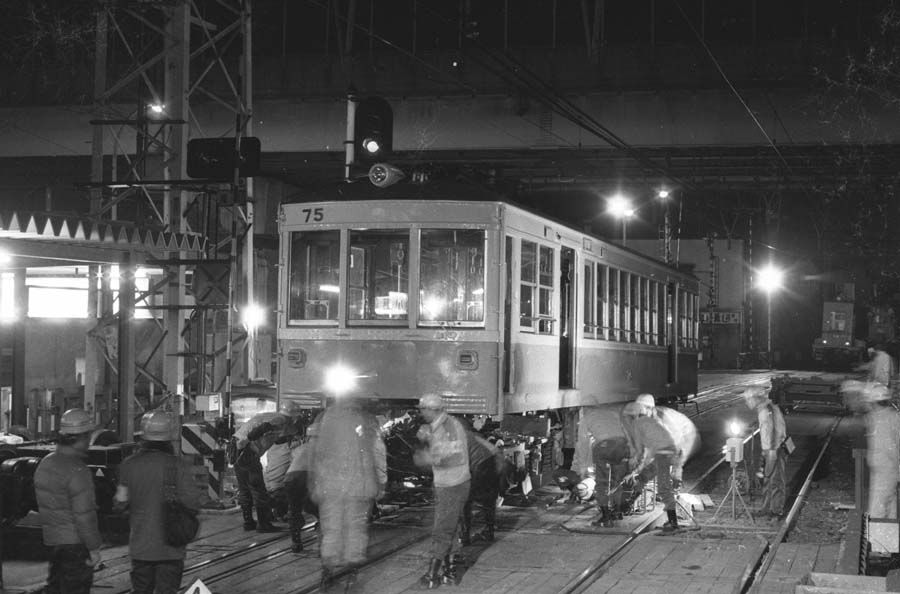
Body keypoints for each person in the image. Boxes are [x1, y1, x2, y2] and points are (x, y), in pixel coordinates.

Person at [114, 410, 201, 594]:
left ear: (143, 436)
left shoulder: (129, 465)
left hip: (141, 547)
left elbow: (120, 503)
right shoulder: (178, 465)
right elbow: (193, 502)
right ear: (170, 437)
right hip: (171, 548)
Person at [310, 394, 386, 591]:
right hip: (360, 485)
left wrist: (316, 483)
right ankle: (352, 573)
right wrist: (382, 483)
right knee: (355, 529)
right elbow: (378, 453)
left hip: (332, 485)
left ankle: (327, 572)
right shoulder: (367, 421)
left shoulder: (326, 418)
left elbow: (317, 453)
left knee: (332, 529)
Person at [33, 408, 103, 594]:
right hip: (75, 546)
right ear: (82, 437)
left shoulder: (46, 463)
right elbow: (84, 516)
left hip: (53, 543)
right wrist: (94, 548)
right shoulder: (77, 471)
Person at [416, 393, 471, 589]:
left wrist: (426, 458)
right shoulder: (444, 424)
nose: (421, 413)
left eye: (423, 409)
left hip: (452, 485)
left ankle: (431, 576)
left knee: (442, 530)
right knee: (450, 527)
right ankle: (449, 573)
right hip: (450, 483)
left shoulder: (448, 427)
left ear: (433, 409)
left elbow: (453, 457)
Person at [624, 394, 682, 532]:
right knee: (646, 475)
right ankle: (629, 502)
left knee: (664, 487)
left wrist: (634, 469)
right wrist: (639, 470)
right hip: (667, 454)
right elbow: (649, 451)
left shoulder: (639, 423)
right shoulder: (654, 421)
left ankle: (673, 522)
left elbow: (641, 451)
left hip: (665, 455)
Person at [233, 409, 296, 532]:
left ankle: (248, 522)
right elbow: (263, 428)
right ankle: (263, 524)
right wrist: (250, 439)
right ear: (291, 417)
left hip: (235, 450)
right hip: (248, 453)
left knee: (244, 488)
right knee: (258, 489)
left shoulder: (267, 415)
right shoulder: (280, 419)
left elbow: (271, 435)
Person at [743, 387, 788, 518]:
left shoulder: (767, 410)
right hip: (770, 449)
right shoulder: (766, 409)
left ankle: (776, 510)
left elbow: (774, 432)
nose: (747, 403)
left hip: (775, 449)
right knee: (768, 479)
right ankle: (767, 507)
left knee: (776, 481)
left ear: (755, 398)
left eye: (748, 400)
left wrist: (771, 452)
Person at [459, 430, 506, 546]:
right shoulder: (477, 437)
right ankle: (489, 532)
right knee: (489, 502)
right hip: (492, 468)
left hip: (479, 469)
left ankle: (465, 537)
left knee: (465, 502)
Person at [284, 423, 319, 553]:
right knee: (319, 508)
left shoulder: (300, 448)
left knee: (294, 510)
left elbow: (292, 460)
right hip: (309, 476)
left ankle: (296, 542)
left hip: (290, 479)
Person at [590, 435, 631, 526]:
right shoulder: (628, 442)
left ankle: (606, 515)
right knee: (616, 483)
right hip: (618, 452)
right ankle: (617, 512)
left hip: (603, 452)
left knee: (602, 485)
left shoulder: (598, 446)